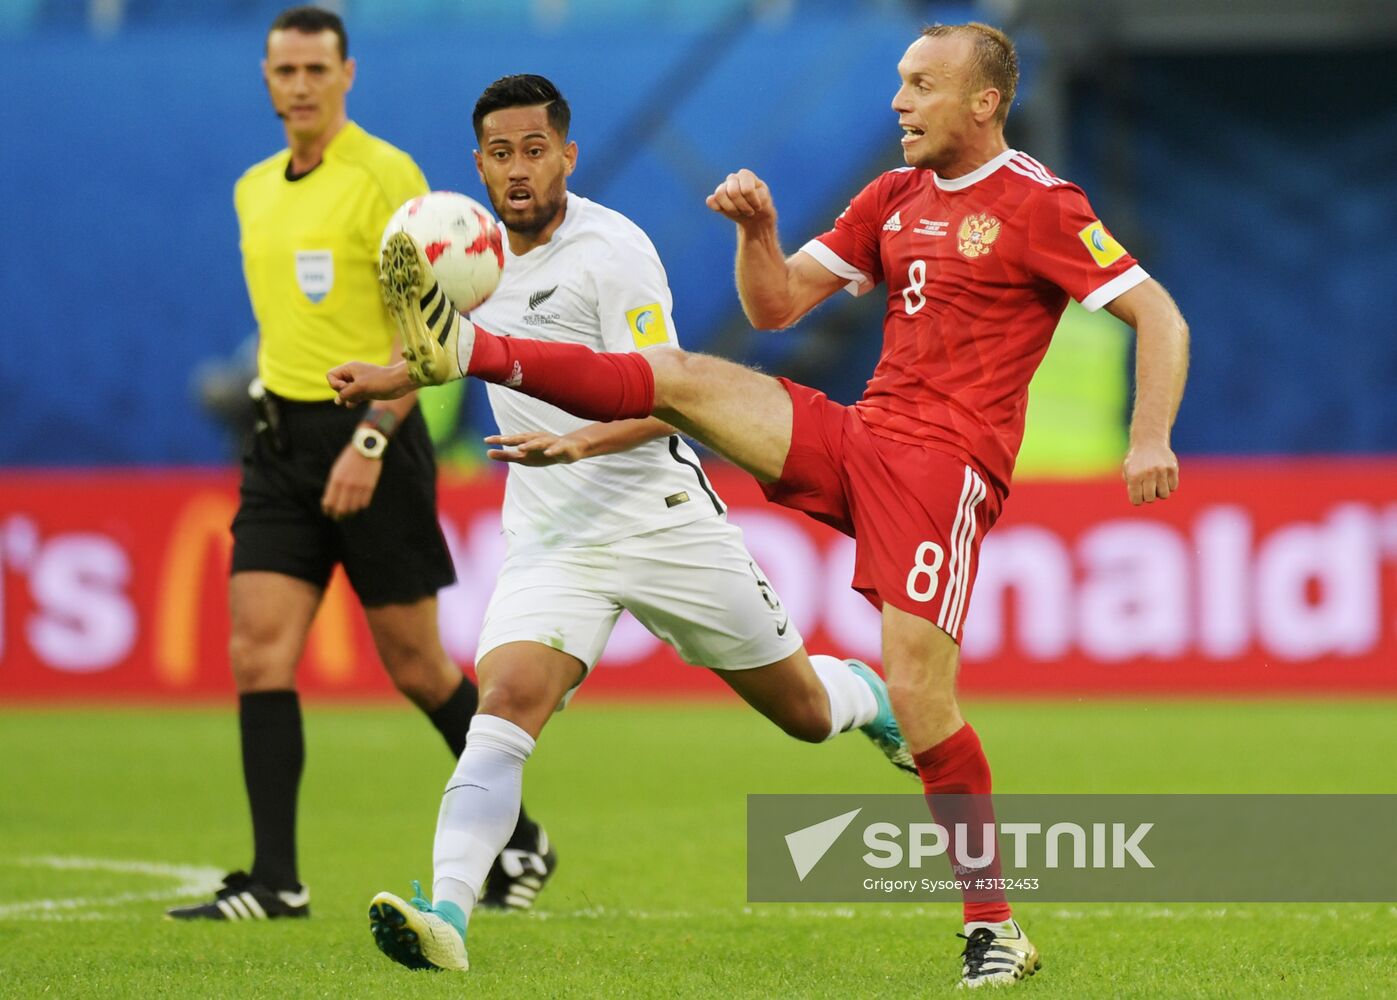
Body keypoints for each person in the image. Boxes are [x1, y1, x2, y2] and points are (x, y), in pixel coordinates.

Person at [333, 24, 1191, 986]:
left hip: (941, 473)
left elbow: (1156, 313)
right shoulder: (894, 194)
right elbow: (775, 307)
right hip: (859, 434)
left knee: (913, 697)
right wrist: (757, 236)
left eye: (920, 86)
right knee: (685, 377)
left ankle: (994, 927)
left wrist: (1148, 433)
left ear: (983, 101)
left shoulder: (1039, 203)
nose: (898, 103)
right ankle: (448, 903)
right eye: (899, 83)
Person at [325, 74, 915, 974]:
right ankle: (445, 909)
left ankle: (863, 695)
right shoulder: (461, 254)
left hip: (659, 518)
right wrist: (392, 376)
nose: (518, 169)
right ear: (478, 164)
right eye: (500, 153)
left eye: (534, 150)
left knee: (800, 712)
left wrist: (583, 446)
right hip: (553, 538)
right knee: (505, 703)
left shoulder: (613, 251)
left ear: (566, 153)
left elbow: (676, 394)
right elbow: (457, 349)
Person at [167, 6, 553, 922]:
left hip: (371, 438)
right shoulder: (253, 188)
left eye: (315, 69)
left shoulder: (385, 175)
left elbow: (421, 326)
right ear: (267, 79)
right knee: (256, 649)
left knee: (417, 665)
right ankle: (274, 880)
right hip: (279, 444)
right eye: (284, 70)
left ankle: (521, 835)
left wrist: (373, 438)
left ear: (347, 75)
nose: (299, 84)